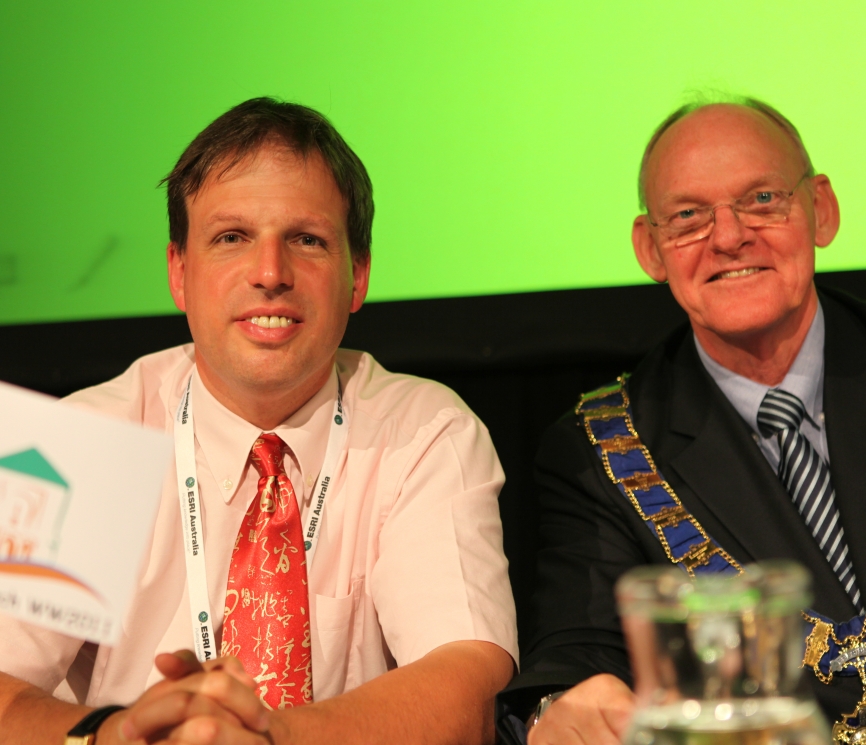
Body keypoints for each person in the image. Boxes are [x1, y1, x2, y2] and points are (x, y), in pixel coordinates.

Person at [0, 98, 517, 744]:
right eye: (231, 238)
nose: (270, 274)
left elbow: (462, 693)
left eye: (307, 240)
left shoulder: (425, 432)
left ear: (358, 275)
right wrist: (113, 737)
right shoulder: (82, 443)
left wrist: (266, 738)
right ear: (179, 273)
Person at [497, 97, 866, 744]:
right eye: (688, 216)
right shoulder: (601, 450)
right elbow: (578, 655)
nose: (729, 236)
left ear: (821, 209)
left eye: (762, 199)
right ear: (651, 249)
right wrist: (562, 707)